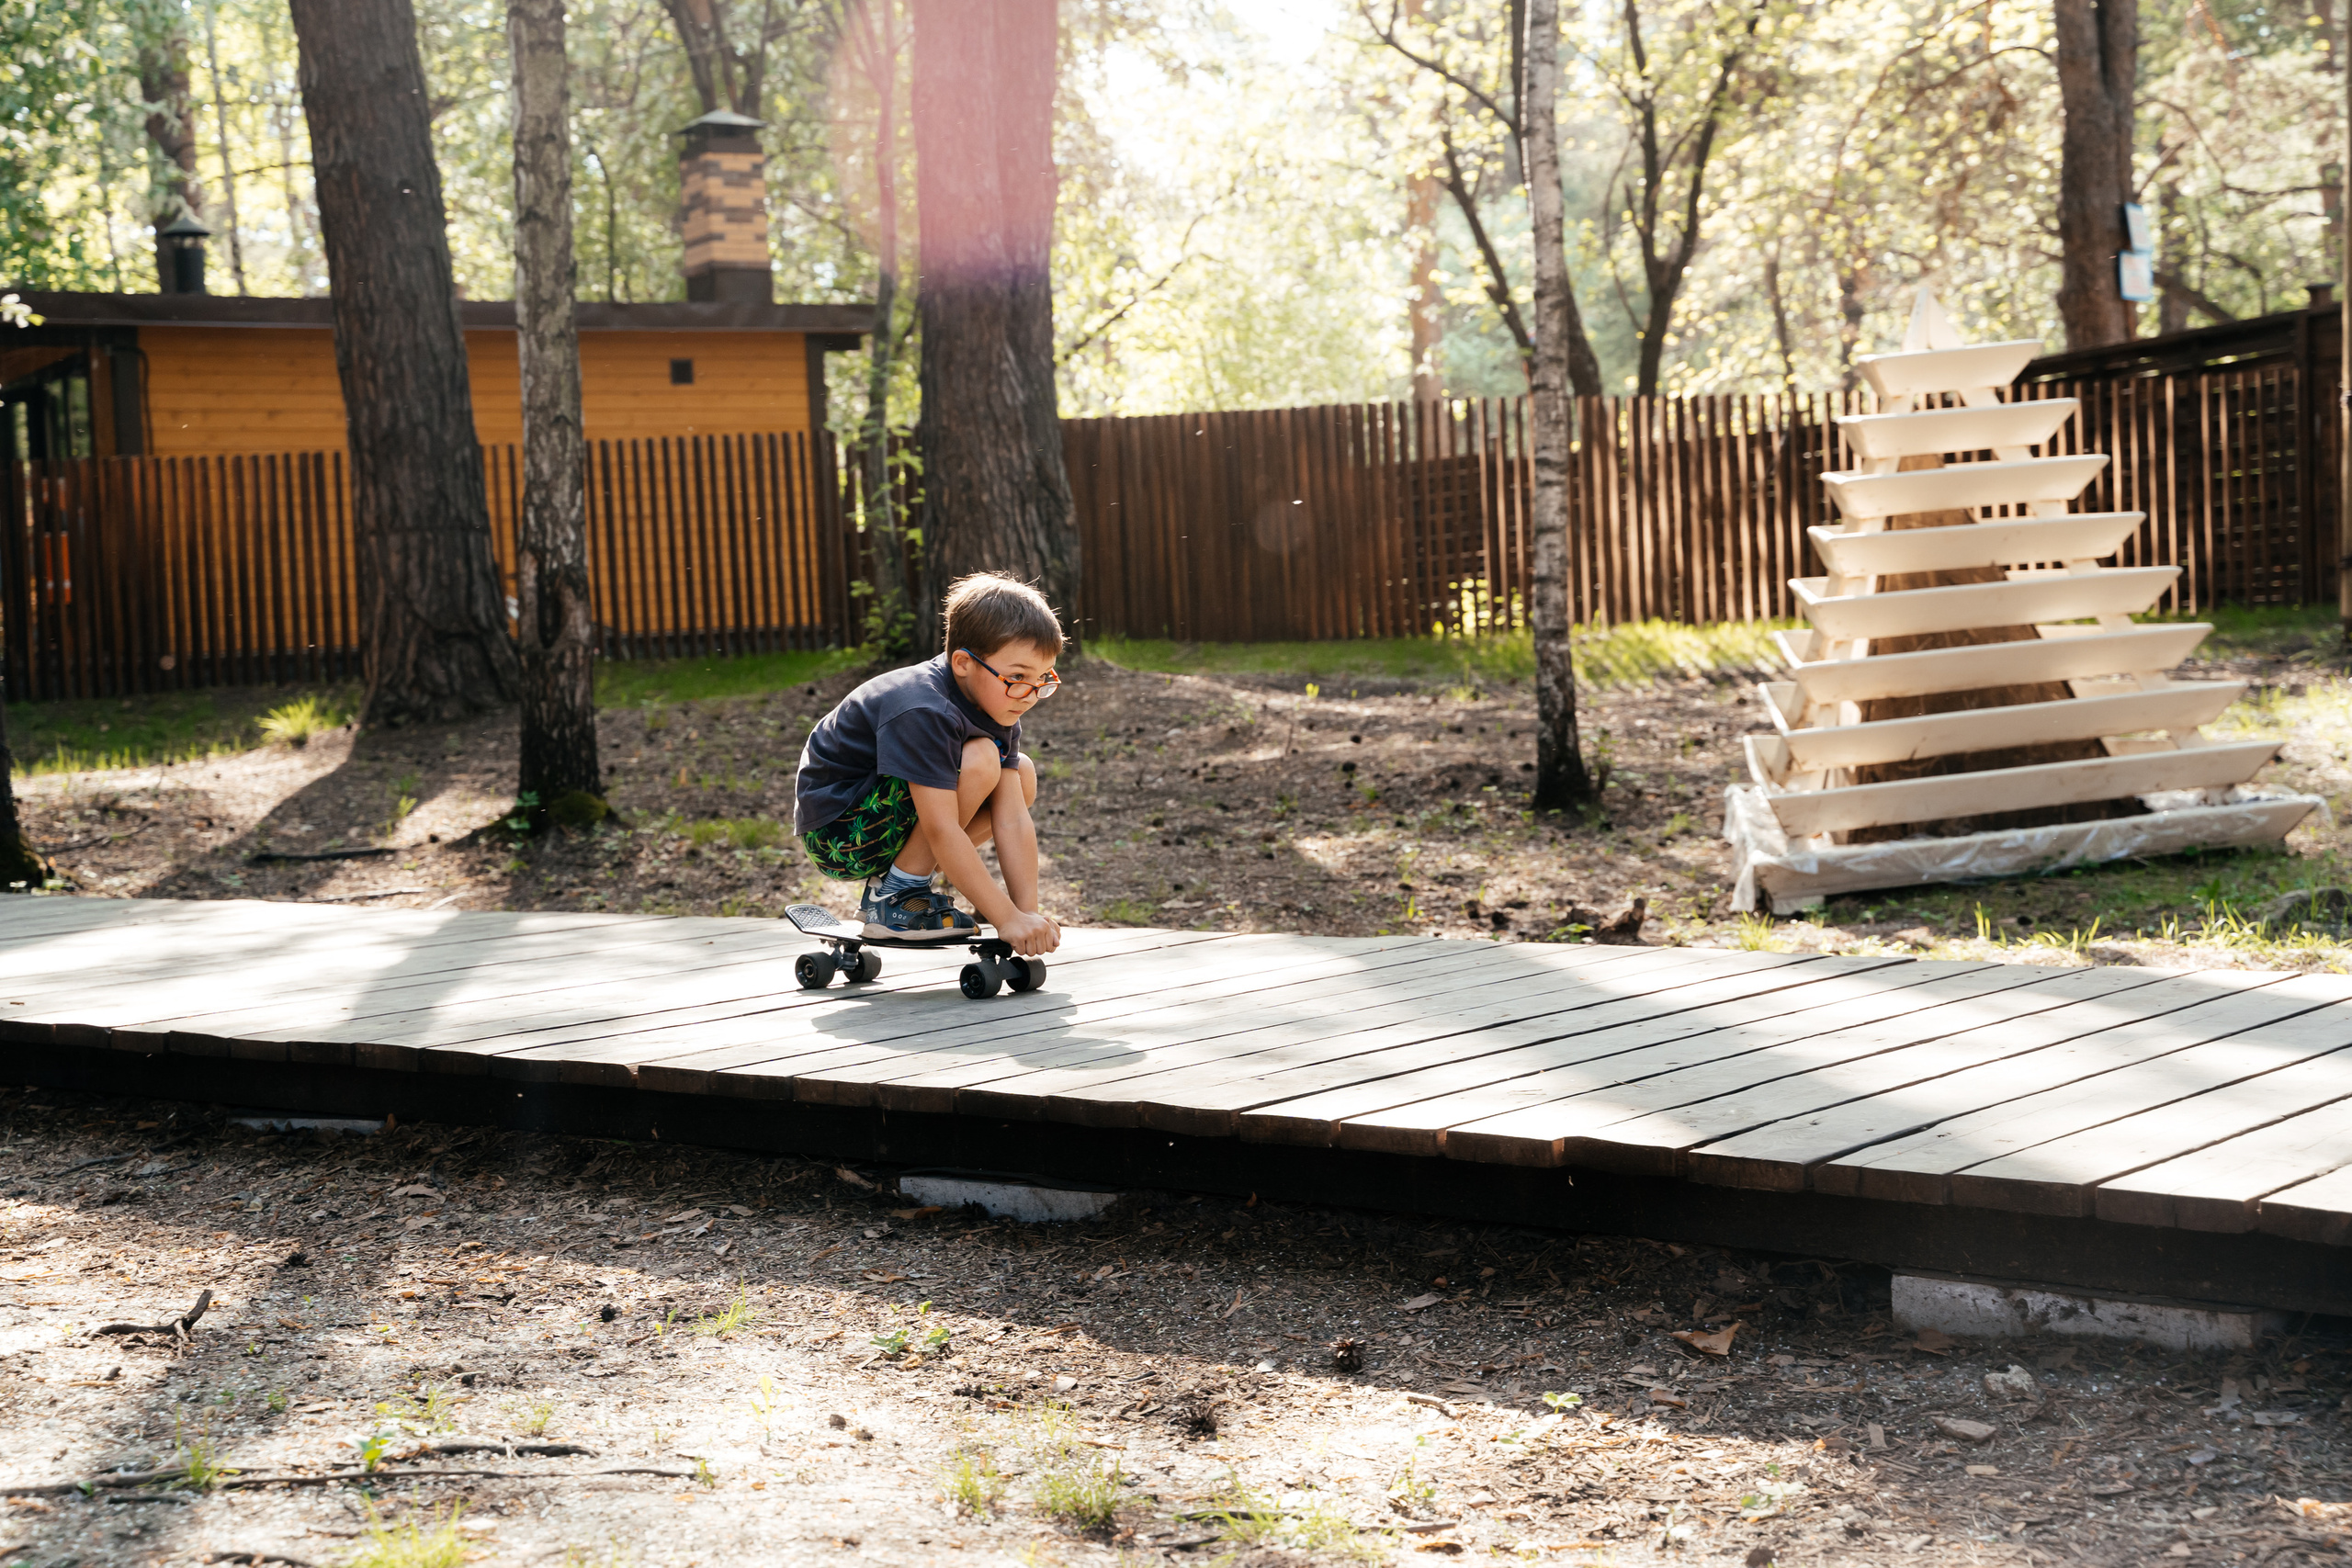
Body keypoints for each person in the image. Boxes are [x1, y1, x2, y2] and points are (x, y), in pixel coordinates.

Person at [794, 573, 1064, 957]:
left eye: (1042, 680)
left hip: (884, 820)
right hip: (838, 832)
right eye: (1018, 677)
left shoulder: (999, 706)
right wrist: (1002, 917)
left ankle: (900, 880)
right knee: (983, 759)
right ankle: (893, 896)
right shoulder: (922, 706)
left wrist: (1025, 916)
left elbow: (1012, 820)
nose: (1029, 695)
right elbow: (940, 826)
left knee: (1021, 777)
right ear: (963, 663)